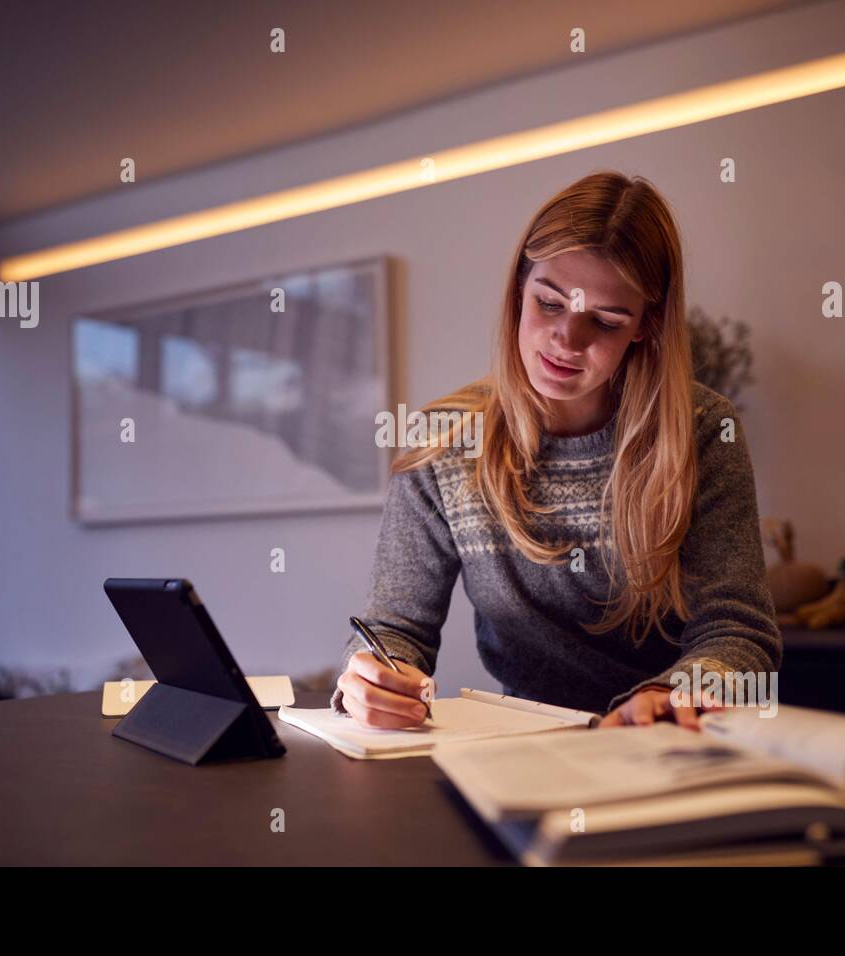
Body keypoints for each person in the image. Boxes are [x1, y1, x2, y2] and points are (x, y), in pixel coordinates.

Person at [332, 170, 780, 731]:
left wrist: (674, 696)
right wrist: (374, 675)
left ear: (646, 324)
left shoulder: (702, 429)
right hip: (524, 742)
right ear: (518, 289)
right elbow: (394, 626)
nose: (567, 340)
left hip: (669, 742)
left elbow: (738, 630)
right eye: (548, 304)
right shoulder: (445, 443)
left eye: (605, 321)